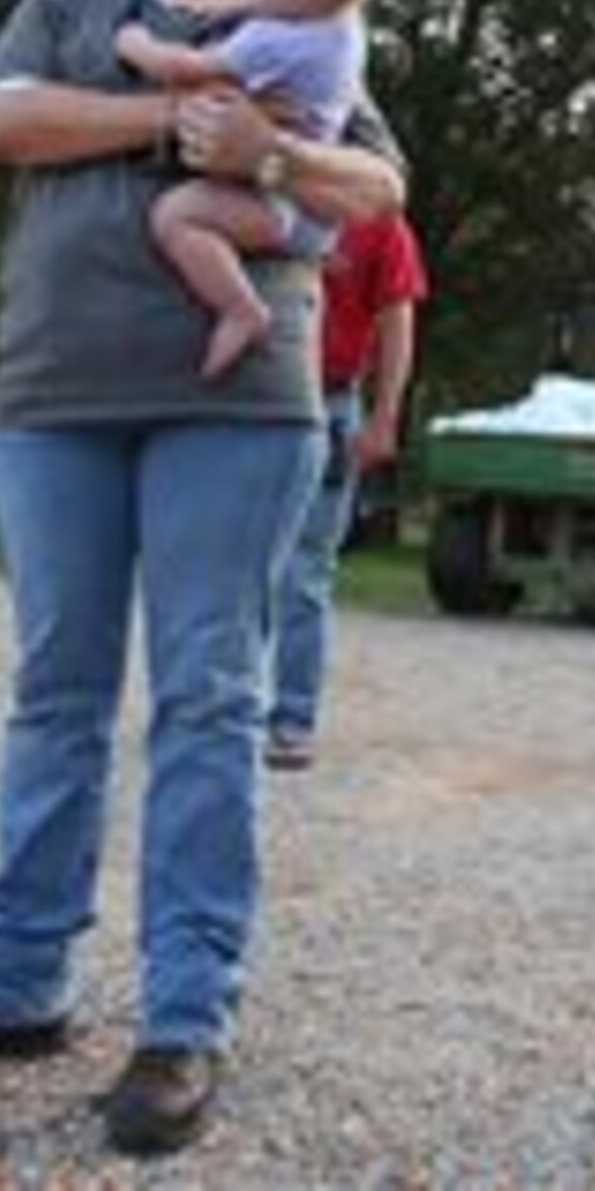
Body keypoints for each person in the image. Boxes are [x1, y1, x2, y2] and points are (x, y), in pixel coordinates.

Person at [0, 0, 402, 1160]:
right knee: (57, 687)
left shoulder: (306, 26)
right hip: (56, 387)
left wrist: (267, 148)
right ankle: (11, 983)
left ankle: (183, 1018)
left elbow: (374, 192)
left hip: (239, 398)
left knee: (211, 696)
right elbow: (1, 118)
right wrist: (173, 125)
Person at [113, 0, 384, 379]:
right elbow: (266, 1)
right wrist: (225, 6)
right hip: (301, 198)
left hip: (273, 199)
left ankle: (240, 308)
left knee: (175, 217)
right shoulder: (341, 25)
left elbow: (185, 68)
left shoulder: (275, 41)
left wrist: (136, 44)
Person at [263, 206, 424, 771]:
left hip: (328, 404)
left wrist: (385, 417)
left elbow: (398, 319)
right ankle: (215, 711)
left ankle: (291, 721)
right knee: (228, 564)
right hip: (248, 396)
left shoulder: (377, 219)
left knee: (304, 571)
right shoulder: (261, 189)